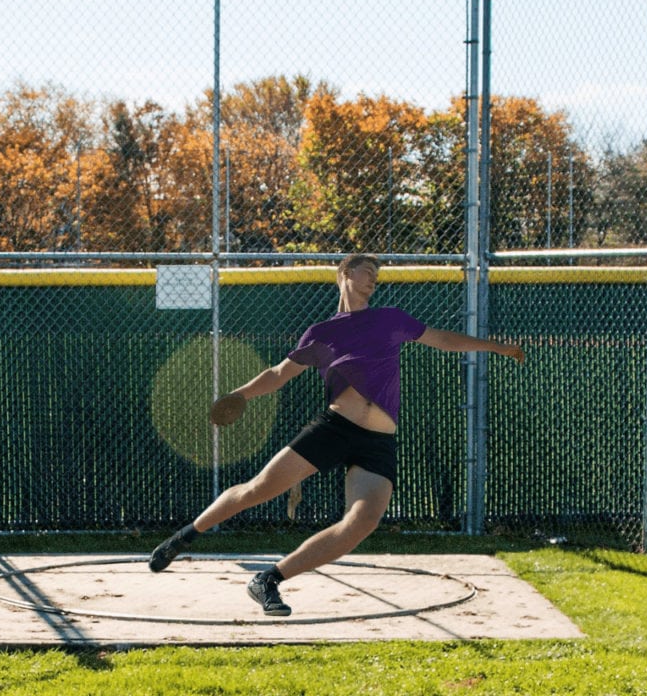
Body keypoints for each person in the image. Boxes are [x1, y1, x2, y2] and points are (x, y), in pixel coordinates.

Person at [148, 253, 525, 616]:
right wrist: (239, 395)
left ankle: (269, 580)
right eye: (365, 270)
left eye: (376, 273)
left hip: (378, 441)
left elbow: (442, 339)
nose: (373, 276)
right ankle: (185, 535)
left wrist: (495, 346)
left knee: (361, 523)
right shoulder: (322, 334)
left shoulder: (390, 319)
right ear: (345, 274)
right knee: (258, 489)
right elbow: (279, 375)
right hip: (335, 429)